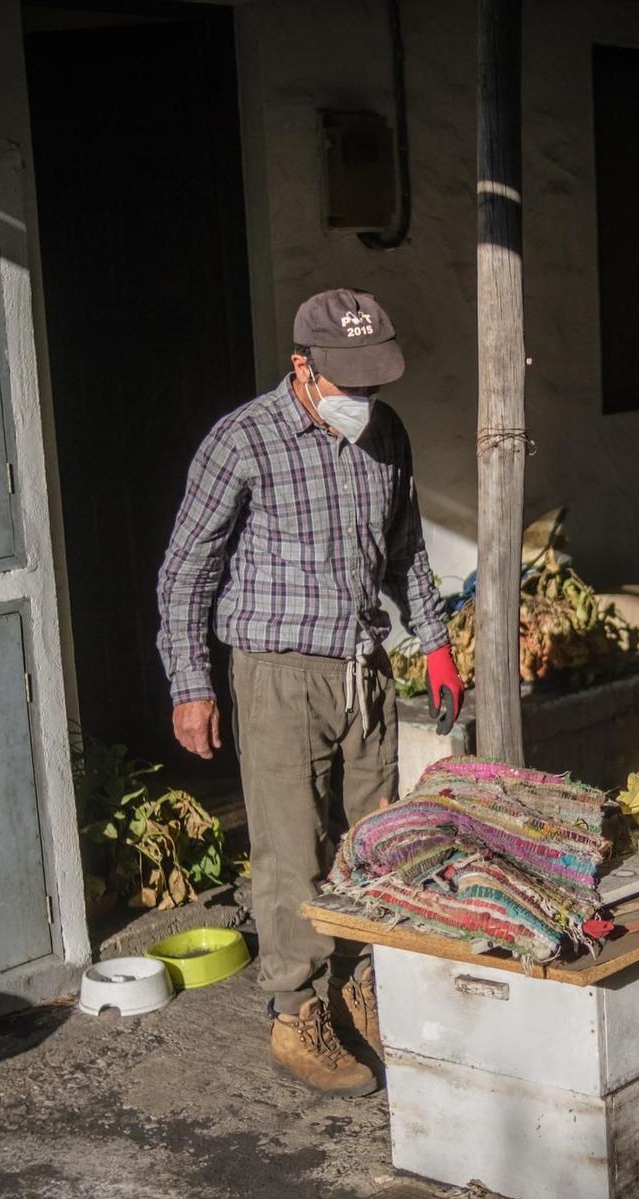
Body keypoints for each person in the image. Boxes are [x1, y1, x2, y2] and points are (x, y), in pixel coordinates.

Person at [155, 289, 463, 1097]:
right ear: (303, 368)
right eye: (348, 383)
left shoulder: (386, 434)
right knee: (292, 849)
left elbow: (407, 550)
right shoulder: (243, 441)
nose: (364, 401)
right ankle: (296, 1011)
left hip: (363, 666)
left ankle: (362, 984)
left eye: (374, 384)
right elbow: (186, 570)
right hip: (279, 671)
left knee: (371, 837)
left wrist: (435, 643)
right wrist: (190, 683)